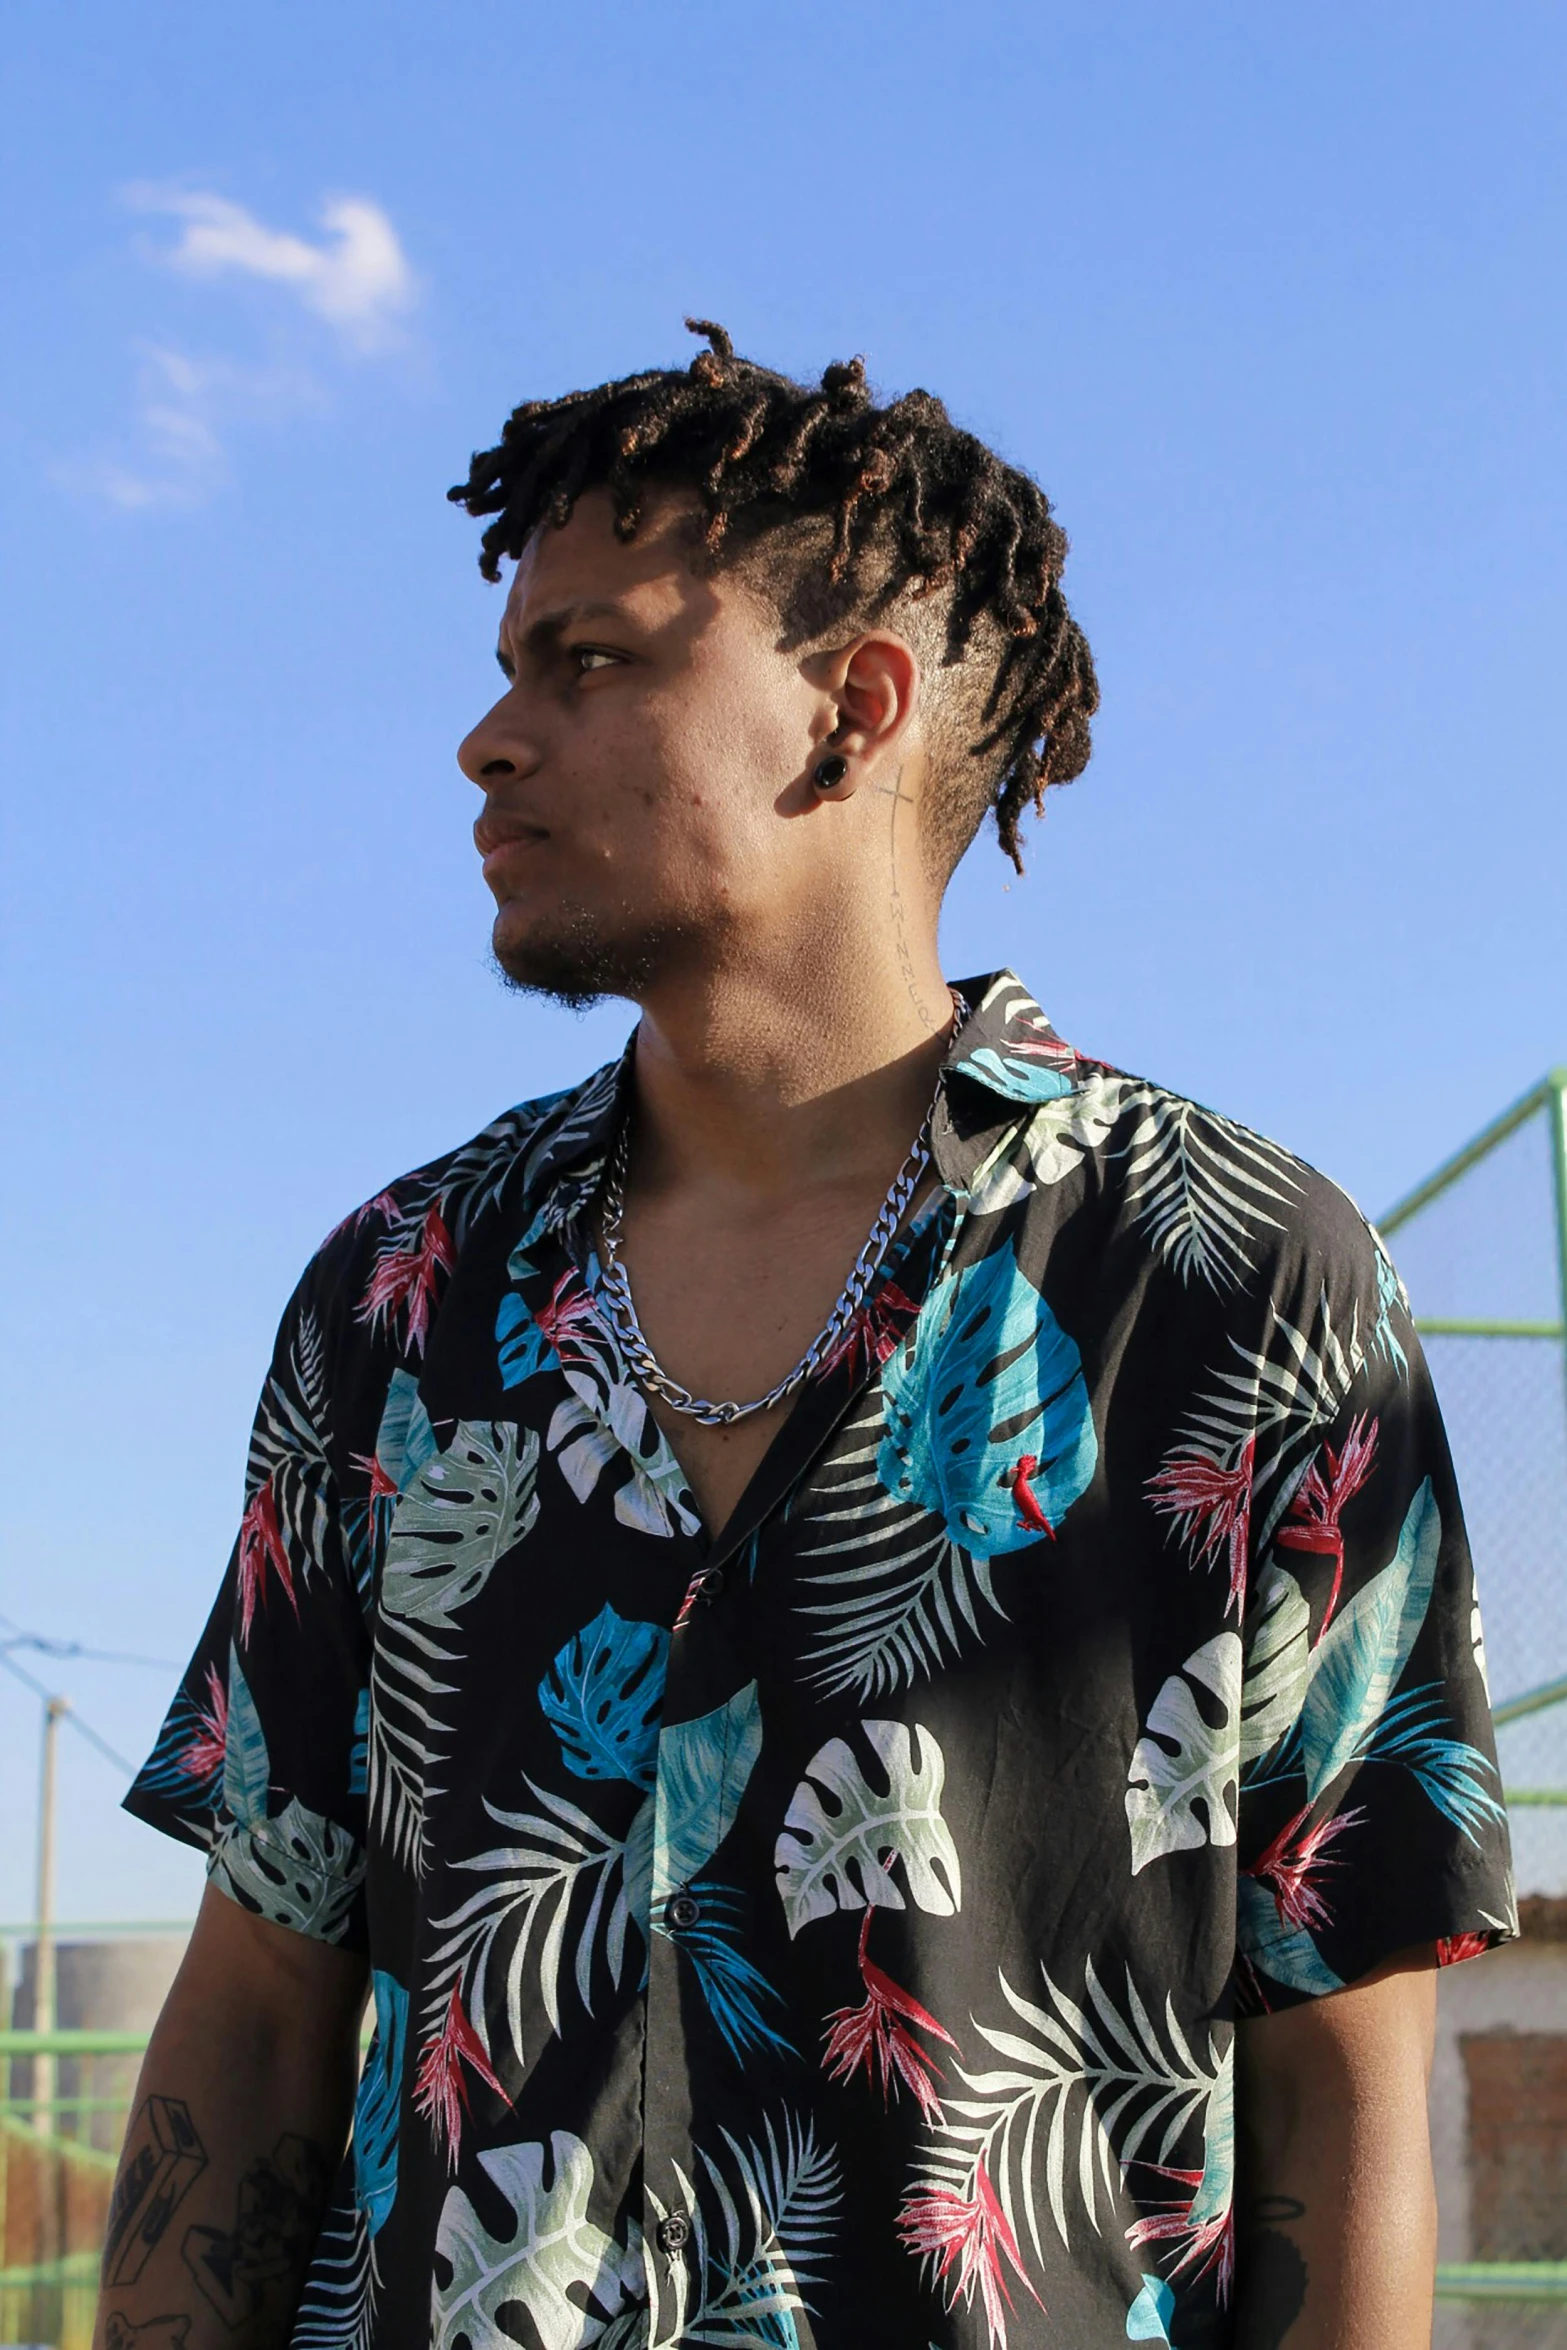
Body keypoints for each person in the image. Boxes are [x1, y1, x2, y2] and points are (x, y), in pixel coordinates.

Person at [101, 322, 1514, 2350]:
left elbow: (1345, 2074)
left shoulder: (1236, 1278)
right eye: (509, 667)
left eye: (587, 661)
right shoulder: (401, 1293)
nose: (490, 737)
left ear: (851, 711)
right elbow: (250, 2014)